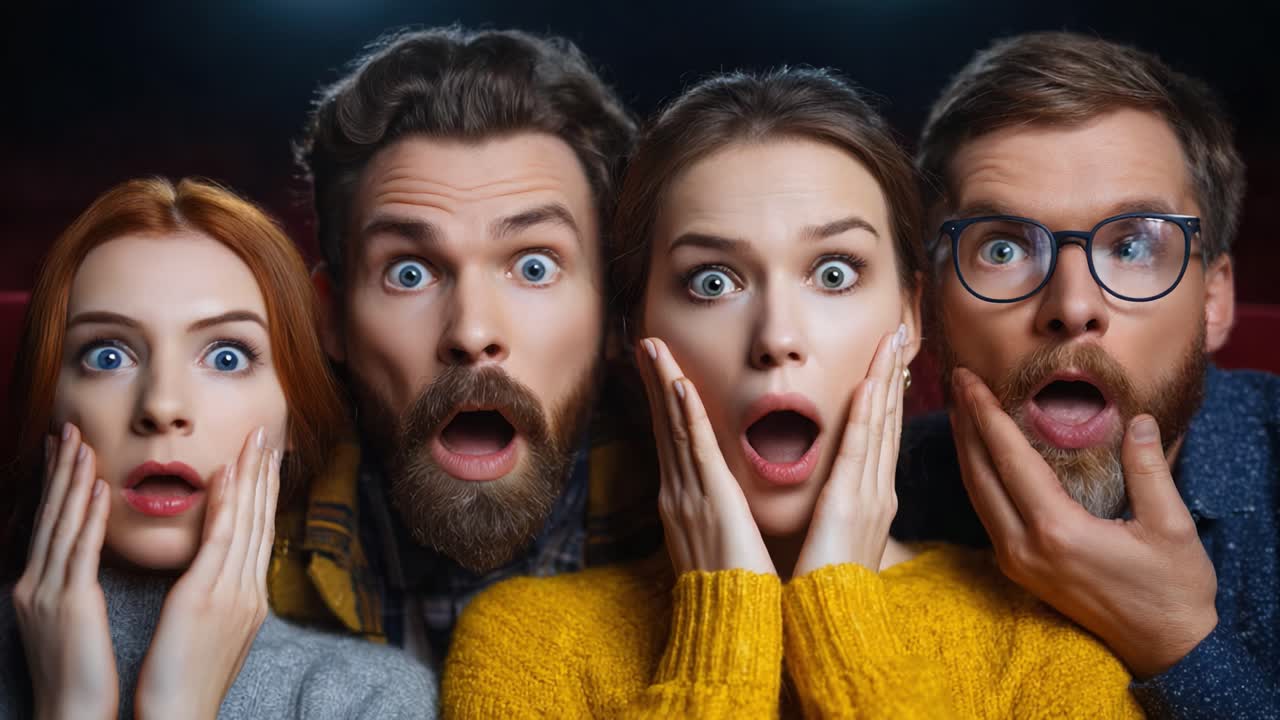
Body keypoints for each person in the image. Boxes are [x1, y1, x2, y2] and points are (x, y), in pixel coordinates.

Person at [442, 68, 1143, 718]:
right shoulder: (526, 644)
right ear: (637, 331)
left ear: (908, 316)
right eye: (712, 281)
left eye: (834, 274)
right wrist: (725, 625)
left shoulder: (1044, 645)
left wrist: (839, 609)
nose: (776, 336)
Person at [892, 31, 1278, 718]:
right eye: (1004, 247)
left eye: (1133, 245)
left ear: (1215, 301)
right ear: (930, 306)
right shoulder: (880, 497)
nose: (1072, 307)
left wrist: (1180, 643)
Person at [272, 25, 657, 665]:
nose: (472, 333)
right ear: (331, 318)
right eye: (410, 272)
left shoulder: (718, 558)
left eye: (534, 266)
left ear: (616, 312)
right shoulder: (241, 570)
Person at [0, 178, 436, 719]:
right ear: (50, 407)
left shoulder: (367, 700)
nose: (161, 405)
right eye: (108, 356)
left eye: (226, 357)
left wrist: (176, 708)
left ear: (292, 417)